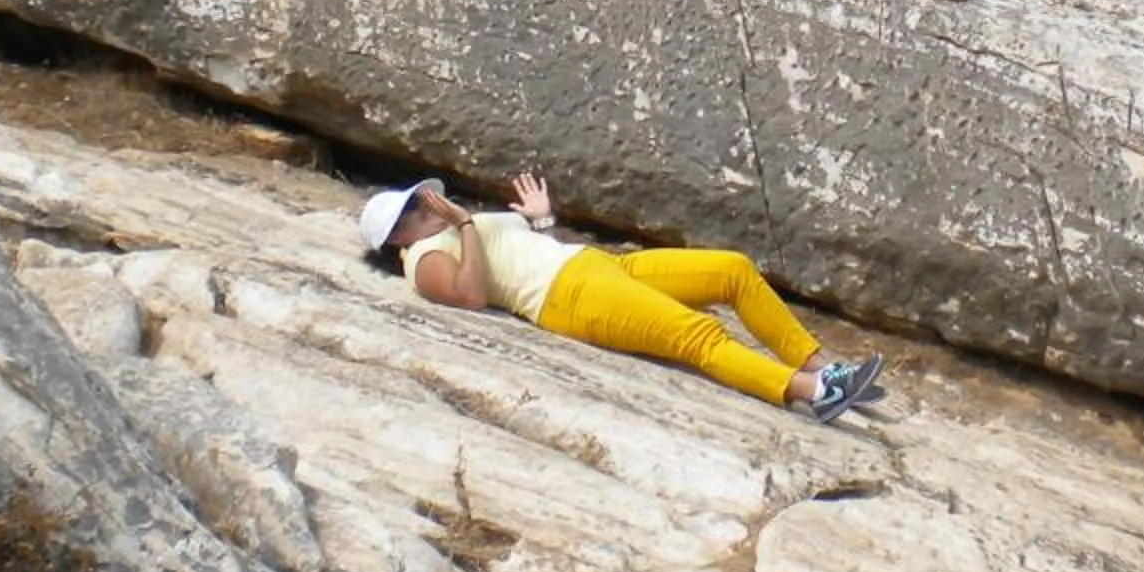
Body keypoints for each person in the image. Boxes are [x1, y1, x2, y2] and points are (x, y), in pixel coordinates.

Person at [358, 171, 884, 422]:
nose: (424, 207)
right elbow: (471, 295)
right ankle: (811, 393)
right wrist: (466, 222)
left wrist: (541, 220)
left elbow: (529, 250)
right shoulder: (424, 261)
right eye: (412, 210)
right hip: (569, 295)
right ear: (397, 239)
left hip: (594, 267)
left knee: (732, 270)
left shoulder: (443, 233)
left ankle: (822, 367)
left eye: (418, 201)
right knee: (695, 335)